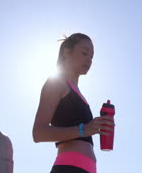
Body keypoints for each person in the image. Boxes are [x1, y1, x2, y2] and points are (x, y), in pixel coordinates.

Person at [33, 33, 115, 173]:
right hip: (68, 167)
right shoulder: (56, 82)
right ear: (67, 52)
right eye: (84, 53)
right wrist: (84, 129)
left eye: (91, 57)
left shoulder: (79, 94)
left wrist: (97, 126)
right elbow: (38, 133)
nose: (89, 60)